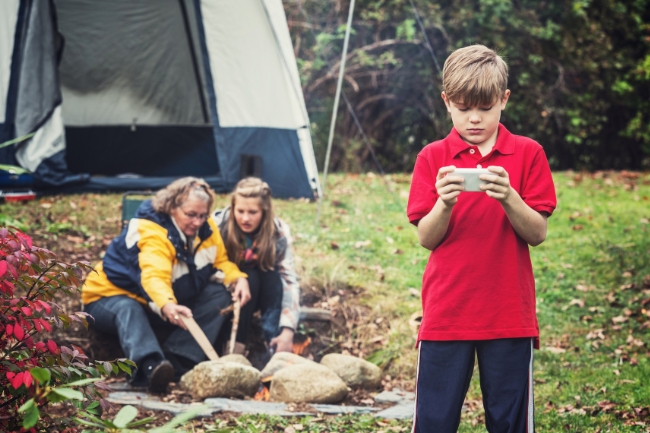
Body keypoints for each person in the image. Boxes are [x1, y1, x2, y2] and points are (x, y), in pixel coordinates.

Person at [407, 45, 557, 432]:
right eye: (462, 108)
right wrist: (444, 203)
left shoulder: (528, 154)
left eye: (486, 108)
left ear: (504, 100)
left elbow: (537, 233)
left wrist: (509, 196)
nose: (474, 118)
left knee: (508, 421)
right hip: (445, 312)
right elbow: (427, 238)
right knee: (434, 420)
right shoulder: (432, 156)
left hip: (509, 312)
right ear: (446, 103)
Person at [82, 177, 250, 392]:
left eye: (202, 215)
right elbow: (154, 277)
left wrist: (237, 278)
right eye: (190, 215)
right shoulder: (152, 232)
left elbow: (221, 261)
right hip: (106, 299)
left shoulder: (207, 229)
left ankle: (178, 360)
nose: (198, 222)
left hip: (159, 301)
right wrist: (167, 304)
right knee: (127, 308)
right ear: (172, 208)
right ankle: (149, 367)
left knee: (219, 294)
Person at [213, 177, 300, 355]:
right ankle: (235, 347)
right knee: (248, 276)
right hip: (224, 289)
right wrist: (235, 278)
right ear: (232, 208)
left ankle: (275, 342)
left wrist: (288, 329)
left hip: (262, 291)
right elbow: (207, 267)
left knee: (271, 274)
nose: (245, 218)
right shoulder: (218, 225)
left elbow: (288, 279)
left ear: (265, 211)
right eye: (240, 211)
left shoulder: (278, 232)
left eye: (253, 212)